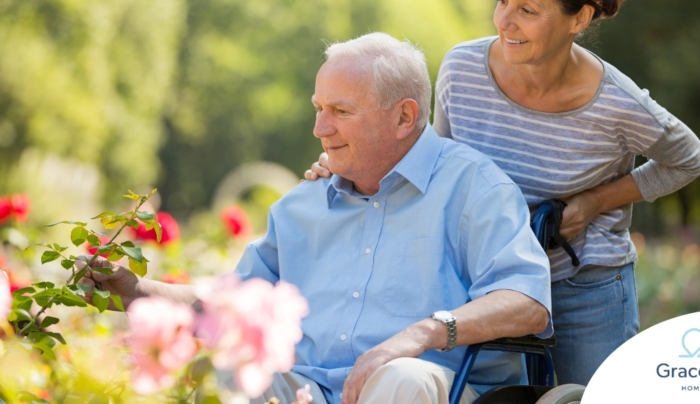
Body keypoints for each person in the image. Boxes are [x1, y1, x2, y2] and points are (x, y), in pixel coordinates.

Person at [82, 32, 553, 404]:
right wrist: (137, 289)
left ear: (404, 117)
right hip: (308, 390)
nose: (319, 128)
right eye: (318, 109)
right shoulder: (300, 205)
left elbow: (526, 301)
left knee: (400, 378)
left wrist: (419, 334)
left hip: (436, 388)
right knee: (222, 373)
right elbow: (234, 302)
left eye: (340, 111)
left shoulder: (473, 187)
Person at [306, 0, 700, 387]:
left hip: (581, 280)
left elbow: (688, 159)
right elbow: (436, 165)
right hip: (483, 282)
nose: (504, 21)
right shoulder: (463, 69)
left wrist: (595, 202)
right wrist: (349, 161)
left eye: (527, 10)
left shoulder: (617, 104)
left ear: (580, 18)